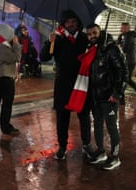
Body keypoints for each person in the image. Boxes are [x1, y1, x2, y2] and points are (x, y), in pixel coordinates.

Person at [40, 10, 93, 160]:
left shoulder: (84, 38)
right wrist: (49, 42)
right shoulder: (57, 39)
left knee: (84, 116)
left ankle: (87, 144)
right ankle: (62, 146)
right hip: (63, 85)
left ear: (78, 24)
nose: (71, 24)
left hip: (81, 83)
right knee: (62, 118)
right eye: (68, 22)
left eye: (74, 22)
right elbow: (43, 57)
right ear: (64, 24)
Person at [84, 23, 127, 170]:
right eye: (89, 34)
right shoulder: (91, 49)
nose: (92, 36)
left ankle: (115, 156)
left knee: (111, 126)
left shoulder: (111, 48)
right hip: (96, 97)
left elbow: (122, 72)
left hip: (109, 97)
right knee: (97, 123)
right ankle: (101, 151)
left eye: (94, 33)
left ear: (100, 32)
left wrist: (117, 93)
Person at [117, 22, 136, 104]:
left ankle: (121, 99)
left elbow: (124, 49)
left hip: (128, 62)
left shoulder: (128, 36)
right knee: (127, 79)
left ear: (127, 28)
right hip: (130, 61)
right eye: (121, 27)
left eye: (122, 28)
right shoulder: (127, 36)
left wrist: (119, 41)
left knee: (123, 79)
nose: (121, 29)